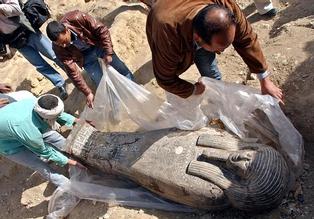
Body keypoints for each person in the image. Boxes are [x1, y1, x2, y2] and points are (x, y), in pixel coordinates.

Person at [145, 1, 283, 104]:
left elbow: (246, 39)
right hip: (171, 28)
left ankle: (219, 98)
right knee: (175, 80)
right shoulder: (167, 32)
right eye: (219, 48)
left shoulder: (225, 6)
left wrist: (265, 80)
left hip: (199, 33)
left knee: (211, 73)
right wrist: (192, 90)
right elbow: (165, 78)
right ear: (197, 39)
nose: (221, 52)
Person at [46, 10, 134, 108]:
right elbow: (72, 71)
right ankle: (117, 107)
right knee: (101, 83)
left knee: (120, 68)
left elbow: (102, 30)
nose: (63, 45)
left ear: (66, 30)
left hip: (97, 44)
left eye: (64, 41)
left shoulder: (77, 18)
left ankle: (134, 92)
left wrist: (108, 52)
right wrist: (87, 93)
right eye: (59, 44)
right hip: (84, 57)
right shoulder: (58, 47)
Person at [0, 93, 84, 186]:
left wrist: (77, 121)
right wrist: (70, 162)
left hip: (22, 126)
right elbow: (45, 151)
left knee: (60, 141)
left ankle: (79, 157)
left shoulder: (36, 103)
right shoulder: (30, 132)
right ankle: (71, 188)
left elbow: (57, 113)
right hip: (9, 145)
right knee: (38, 164)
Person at [0, 0, 68, 100]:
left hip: (27, 30)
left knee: (53, 54)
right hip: (15, 41)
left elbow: (16, 9)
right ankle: (59, 84)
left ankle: (72, 73)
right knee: (40, 64)